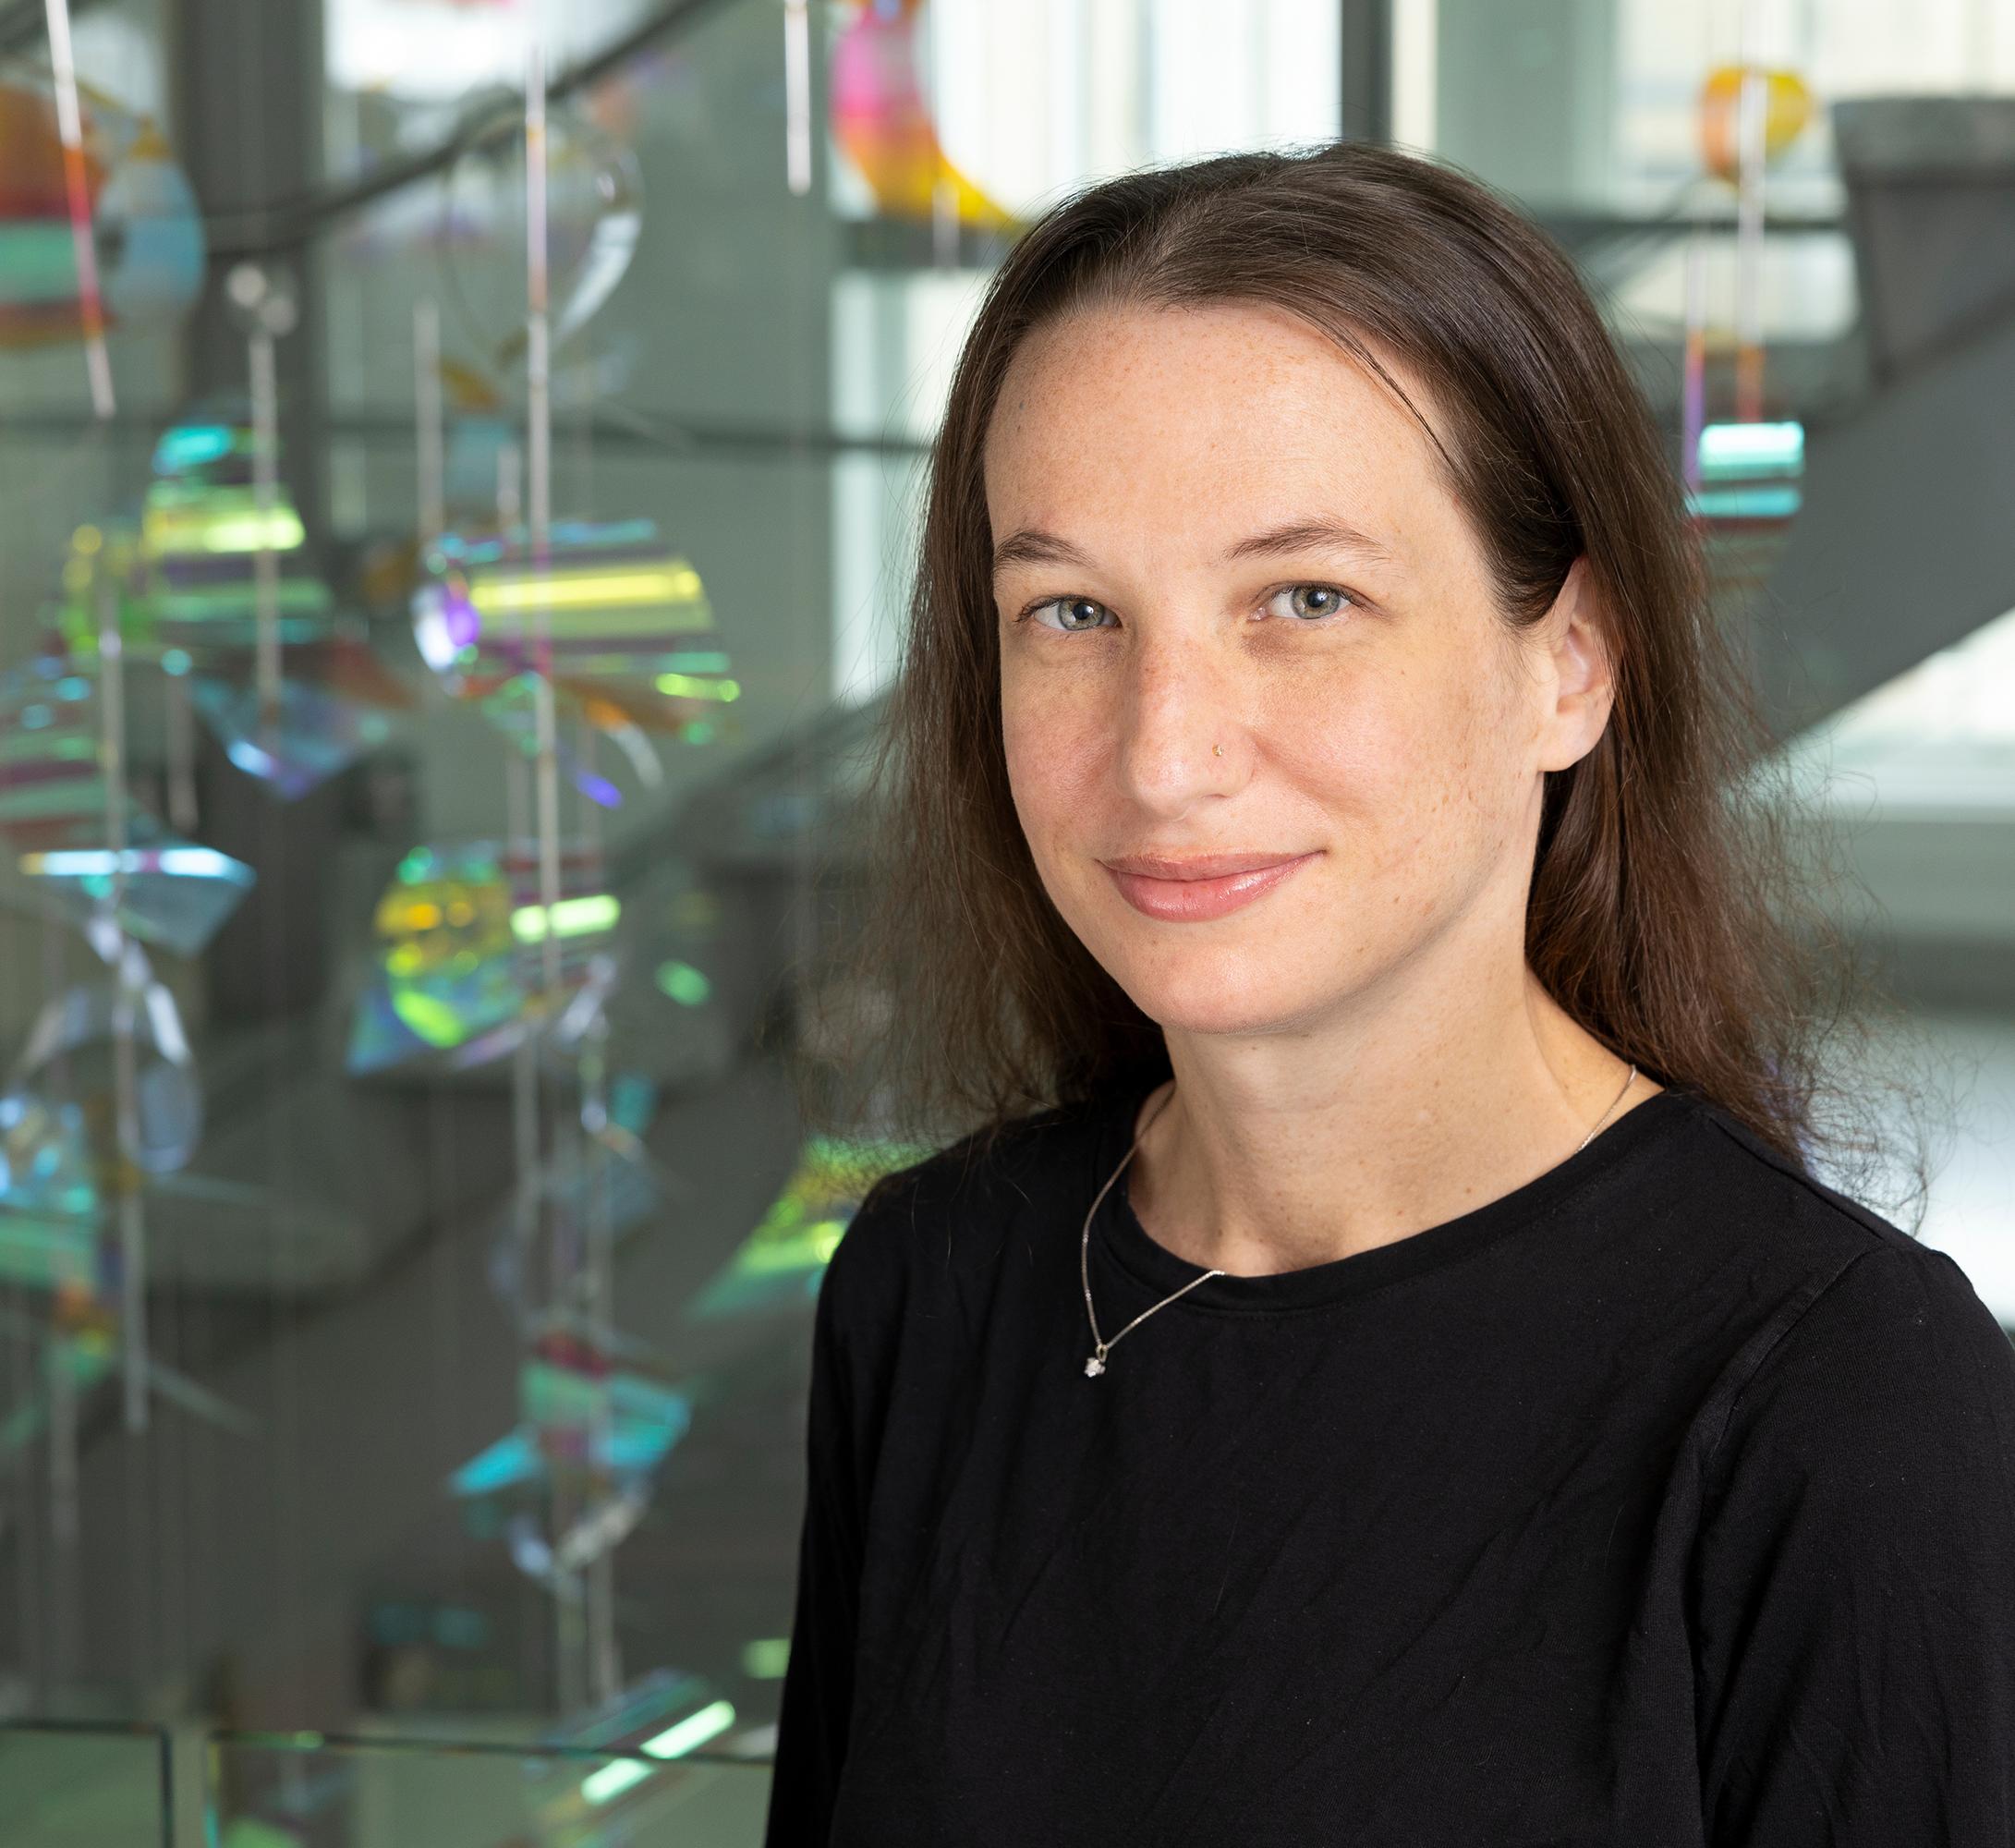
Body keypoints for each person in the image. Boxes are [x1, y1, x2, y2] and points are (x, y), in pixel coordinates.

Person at [763, 142, 2015, 1846]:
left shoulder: (1839, 1403)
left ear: (1567, 663)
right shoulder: (934, 1277)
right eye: (1068, 611)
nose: (1164, 751)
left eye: (1304, 599)